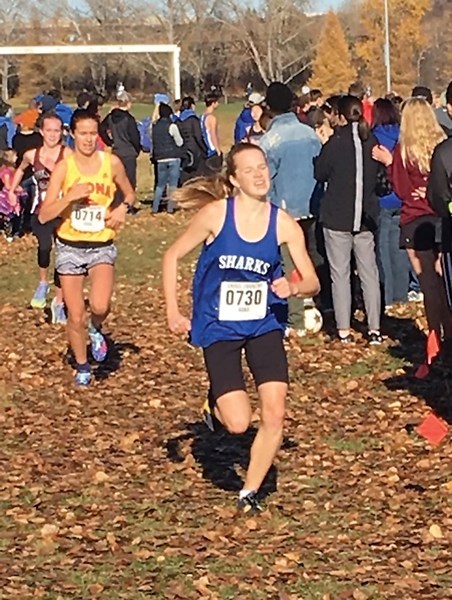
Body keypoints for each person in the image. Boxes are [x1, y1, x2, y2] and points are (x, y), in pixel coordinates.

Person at [163, 143, 319, 511]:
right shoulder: (216, 216)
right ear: (234, 179)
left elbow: (312, 280)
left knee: (275, 411)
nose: (259, 174)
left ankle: (249, 491)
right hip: (219, 326)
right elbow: (171, 256)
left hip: (265, 324)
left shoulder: (283, 223)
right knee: (237, 424)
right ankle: (213, 404)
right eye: (249, 170)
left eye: (262, 167)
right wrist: (173, 311)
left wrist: (294, 286)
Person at [38, 109, 136, 386]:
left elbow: (129, 193)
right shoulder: (64, 168)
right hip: (69, 246)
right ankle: (82, 365)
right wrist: (69, 197)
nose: (89, 139)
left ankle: (97, 329)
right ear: (72, 135)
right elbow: (45, 215)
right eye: (83, 133)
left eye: (94, 133)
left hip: (101, 244)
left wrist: (122, 209)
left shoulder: (111, 163)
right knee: (75, 315)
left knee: (99, 305)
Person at [374, 97, 452, 366]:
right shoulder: (443, 143)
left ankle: (435, 338)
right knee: (445, 280)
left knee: (428, 283)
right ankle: (448, 333)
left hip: (416, 219)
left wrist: (388, 163)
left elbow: (401, 190)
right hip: (441, 217)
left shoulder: (403, 151)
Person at [315, 95, 382, 344]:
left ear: (340, 117)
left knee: (340, 273)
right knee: (369, 272)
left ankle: (343, 329)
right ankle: (374, 328)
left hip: (337, 217)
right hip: (366, 217)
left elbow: (319, 172)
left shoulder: (335, 143)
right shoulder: (371, 140)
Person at [260, 81, 322, 336]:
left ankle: (296, 318)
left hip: (285, 210)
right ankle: (319, 304)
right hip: (315, 204)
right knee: (316, 257)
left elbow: (264, 179)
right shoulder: (309, 133)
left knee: (290, 263)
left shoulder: (269, 140)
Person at [9, 113, 70, 322]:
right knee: (45, 246)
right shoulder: (31, 155)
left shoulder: (68, 154)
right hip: (40, 212)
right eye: (49, 130)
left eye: (57, 130)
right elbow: (21, 170)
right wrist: (11, 189)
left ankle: (59, 303)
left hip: (64, 214)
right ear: (41, 132)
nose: (53, 135)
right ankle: (43, 283)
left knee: (64, 260)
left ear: (61, 132)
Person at [371, 98, 411, 308]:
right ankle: (401, 294)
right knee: (399, 248)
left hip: (383, 198)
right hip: (402, 196)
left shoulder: (373, 138)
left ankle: (386, 297)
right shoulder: (403, 135)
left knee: (383, 249)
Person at [99, 91, 141, 205]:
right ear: (127, 103)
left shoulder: (111, 117)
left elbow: (101, 128)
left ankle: (116, 202)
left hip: (116, 151)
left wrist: (110, 142)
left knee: (117, 179)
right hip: (129, 152)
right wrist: (137, 149)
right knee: (130, 179)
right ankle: (128, 204)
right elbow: (134, 137)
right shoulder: (129, 119)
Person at [151, 103, 183, 214]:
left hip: (160, 159)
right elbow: (179, 142)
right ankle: (170, 208)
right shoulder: (172, 126)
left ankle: (155, 207)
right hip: (173, 157)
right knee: (173, 184)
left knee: (160, 185)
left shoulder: (155, 126)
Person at [176, 96, 208, 184]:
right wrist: (204, 149)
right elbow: (198, 136)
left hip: (183, 149)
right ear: (192, 105)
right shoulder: (193, 119)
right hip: (195, 150)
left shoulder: (178, 120)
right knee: (196, 175)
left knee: (185, 173)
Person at [200, 92, 222, 173]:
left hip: (204, 148)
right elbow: (213, 134)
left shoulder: (202, 116)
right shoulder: (212, 118)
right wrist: (218, 149)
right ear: (213, 103)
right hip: (211, 149)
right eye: (217, 102)